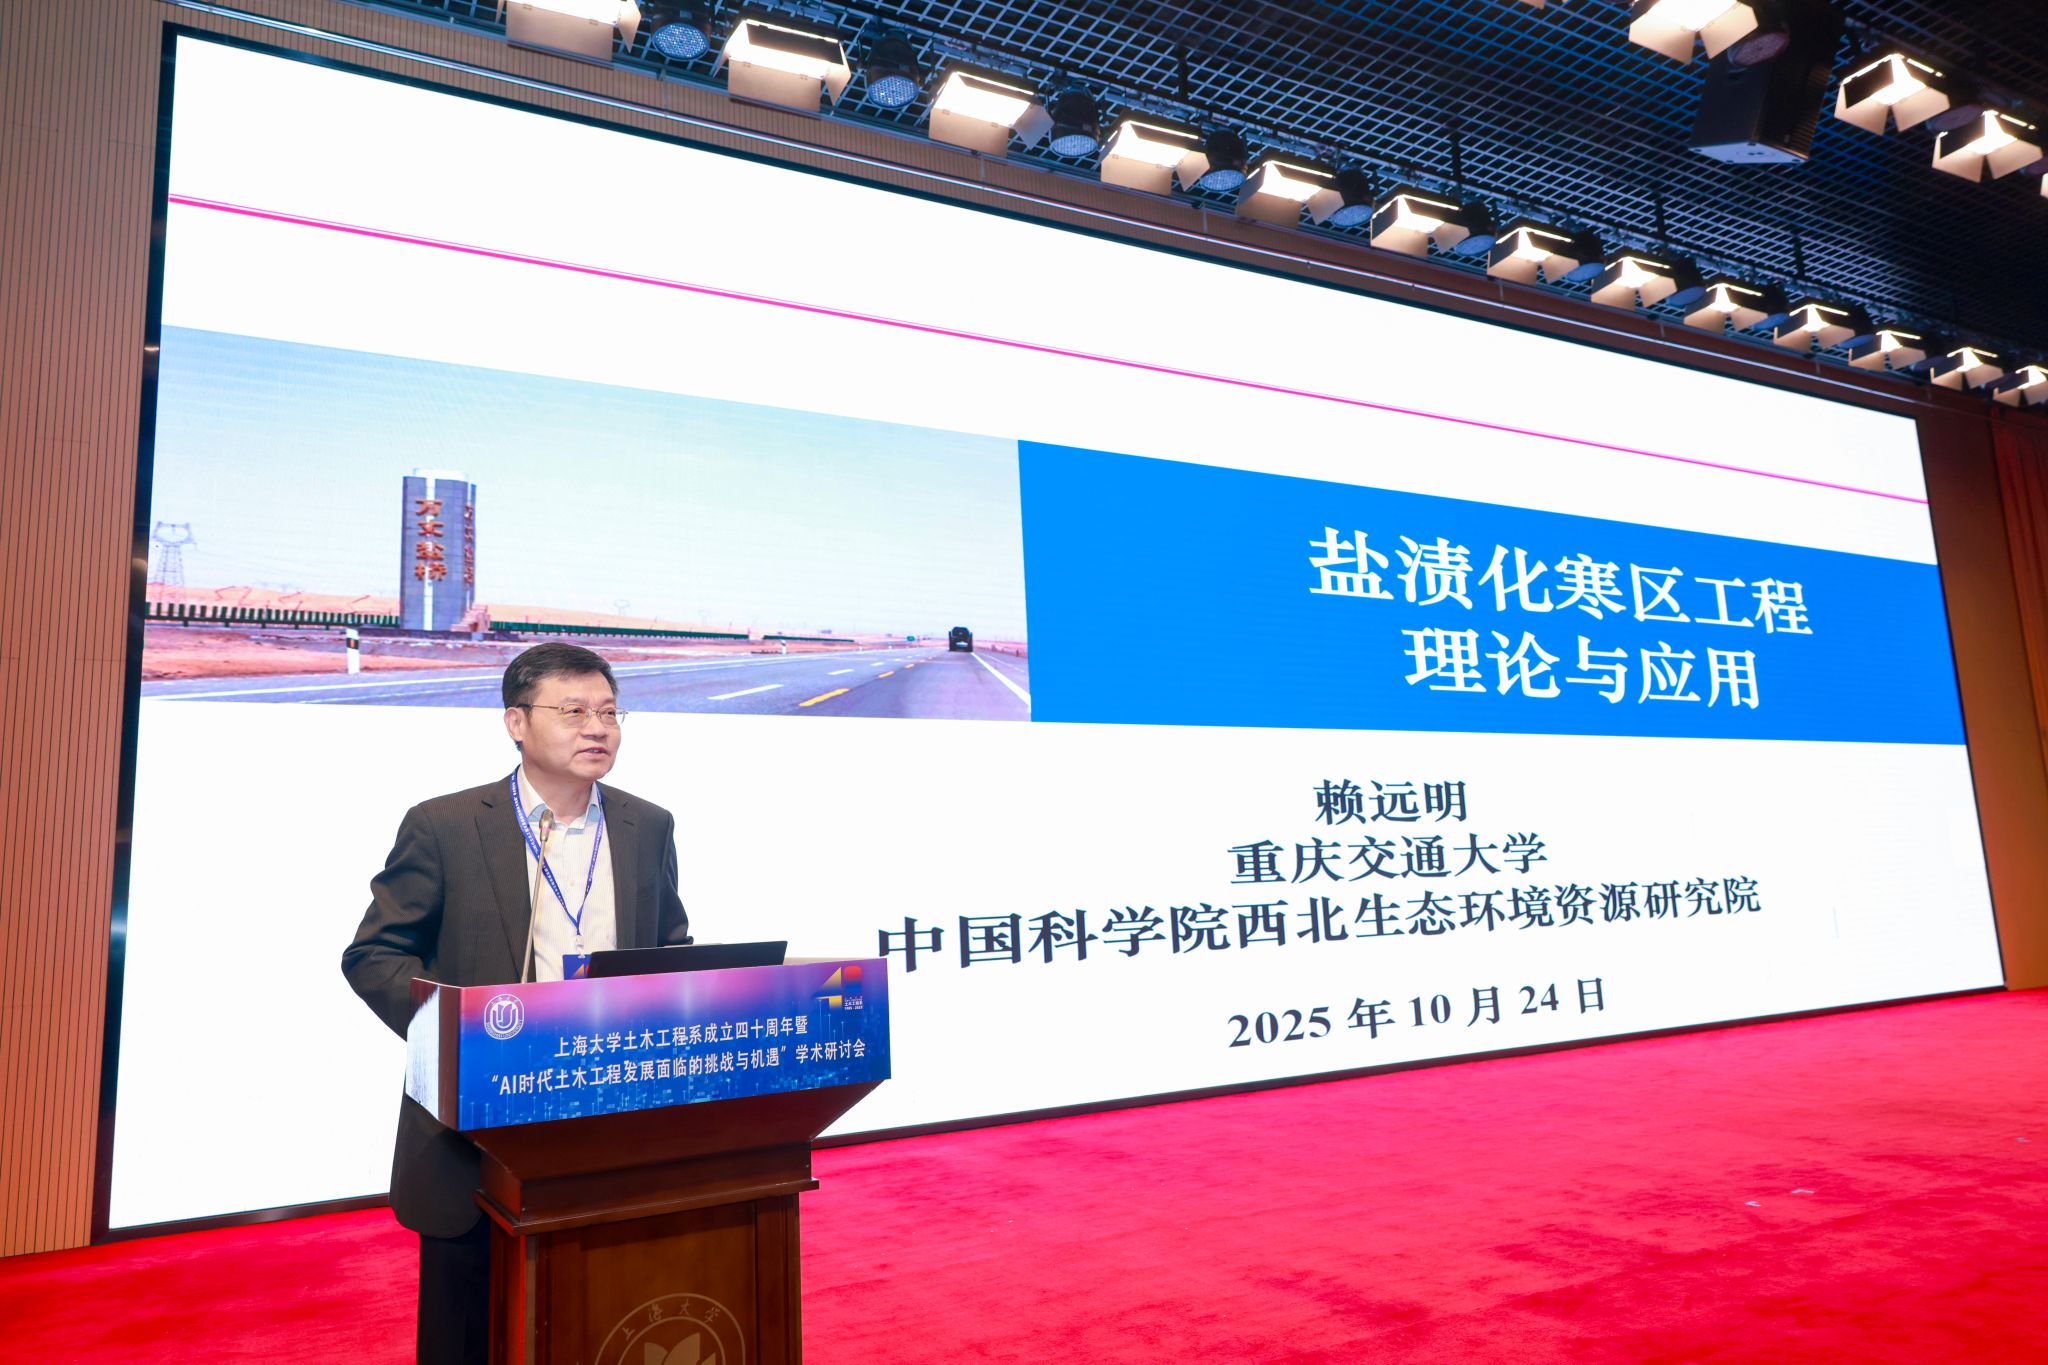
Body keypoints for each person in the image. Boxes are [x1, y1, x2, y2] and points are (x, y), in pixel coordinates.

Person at [342, 642, 692, 1365]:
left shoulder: (647, 824)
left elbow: (671, 947)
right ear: (516, 722)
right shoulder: (446, 825)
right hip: (476, 1132)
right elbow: (375, 954)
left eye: (609, 713)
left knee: (597, 1317)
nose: (597, 728)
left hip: (610, 1117)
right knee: (469, 1331)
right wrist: (458, 1036)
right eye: (574, 711)